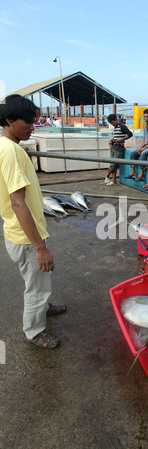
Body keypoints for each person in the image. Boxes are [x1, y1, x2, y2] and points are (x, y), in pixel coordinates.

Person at [0, 94, 66, 349]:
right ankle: (34, 331)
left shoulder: (6, 147)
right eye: (27, 121)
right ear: (9, 120)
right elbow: (18, 203)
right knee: (36, 288)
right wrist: (40, 247)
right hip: (27, 239)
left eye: (34, 120)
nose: (32, 126)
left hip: (16, 233)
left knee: (36, 282)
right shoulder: (11, 152)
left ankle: (44, 308)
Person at [125, 108, 148, 181]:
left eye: (147, 116)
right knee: (133, 152)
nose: (146, 118)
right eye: (145, 117)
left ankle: (142, 173)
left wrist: (143, 149)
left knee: (144, 153)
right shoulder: (145, 126)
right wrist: (141, 147)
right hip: (145, 145)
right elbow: (144, 139)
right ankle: (133, 171)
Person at [105, 113, 133, 186]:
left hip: (119, 147)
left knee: (113, 165)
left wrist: (121, 139)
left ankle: (107, 176)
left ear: (115, 120)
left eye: (112, 122)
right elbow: (115, 137)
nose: (112, 124)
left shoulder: (122, 126)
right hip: (114, 147)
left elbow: (130, 134)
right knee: (112, 164)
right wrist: (111, 140)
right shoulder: (115, 128)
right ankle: (114, 180)